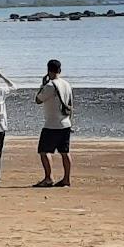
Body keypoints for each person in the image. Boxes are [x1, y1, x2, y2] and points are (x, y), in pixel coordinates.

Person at [33, 58, 74, 188]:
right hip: (65, 122)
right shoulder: (66, 84)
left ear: (48, 70)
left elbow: (38, 100)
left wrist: (42, 85)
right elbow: (70, 104)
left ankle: (48, 177)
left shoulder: (50, 86)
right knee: (65, 152)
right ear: (60, 70)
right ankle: (66, 178)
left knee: (44, 151)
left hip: (52, 123)